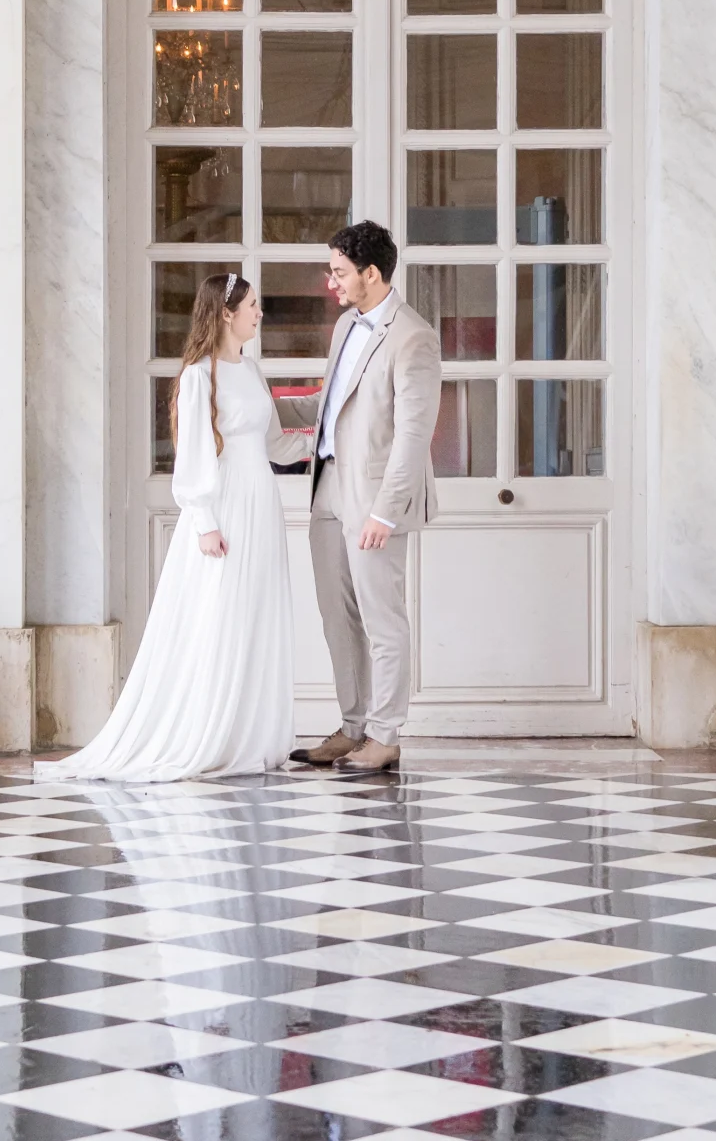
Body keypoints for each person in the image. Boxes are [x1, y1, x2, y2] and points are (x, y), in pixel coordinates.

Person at [51, 273, 311, 782]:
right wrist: (205, 521)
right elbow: (192, 458)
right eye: (253, 306)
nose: (260, 313)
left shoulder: (254, 370)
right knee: (220, 614)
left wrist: (323, 443)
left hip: (262, 503)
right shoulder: (198, 376)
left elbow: (275, 445)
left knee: (257, 611)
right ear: (227, 314)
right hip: (226, 504)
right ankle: (206, 732)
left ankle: (250, 734)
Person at [291, 221, 442, 778]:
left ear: (370, 274)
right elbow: (326, 405)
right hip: (327, 487)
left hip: (375, 500)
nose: (331, 283)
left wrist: (385, 510)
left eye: (338, 273)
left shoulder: (413, 338)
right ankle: (352, 727)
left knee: (383, 621)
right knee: (337, 617)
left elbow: (413, 434)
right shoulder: (345, 327)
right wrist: (251, 402)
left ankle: (384, 735)